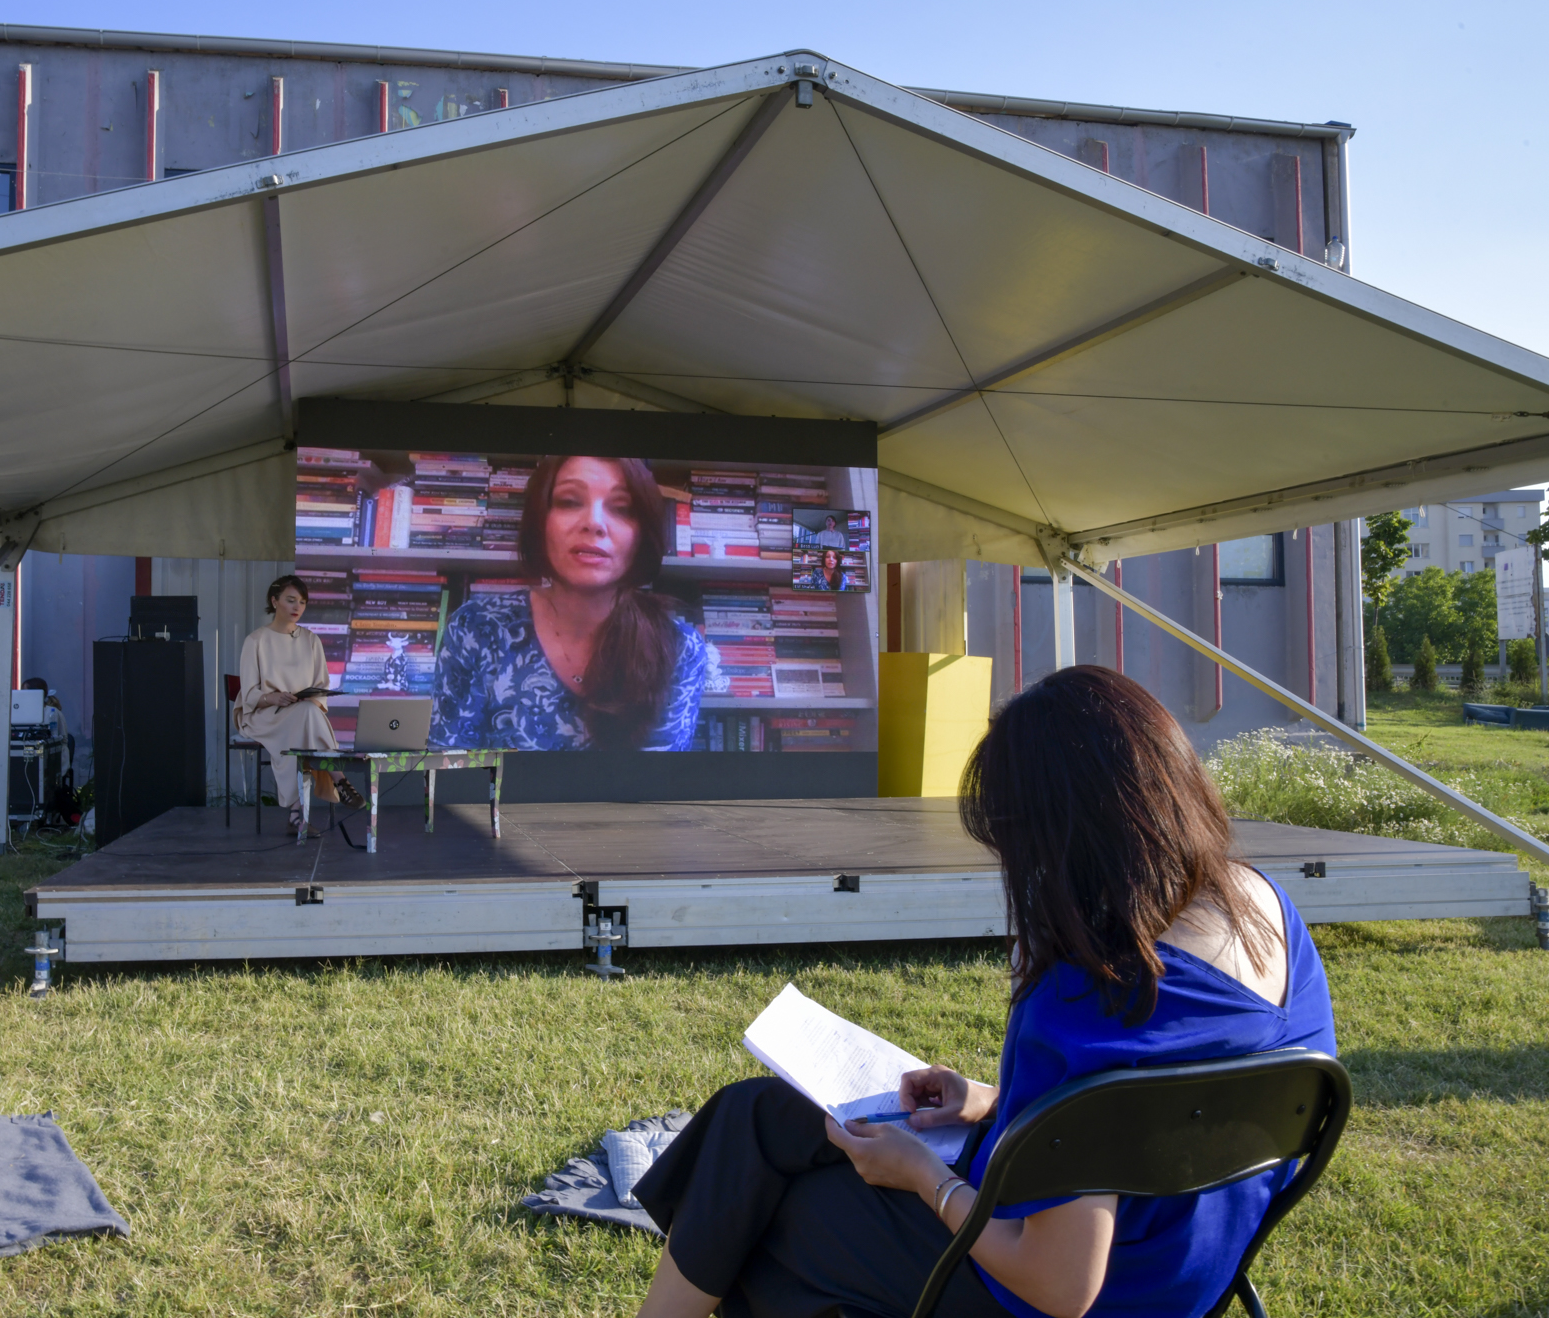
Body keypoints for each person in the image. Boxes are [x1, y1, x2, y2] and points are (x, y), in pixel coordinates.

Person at [633, 665, 1335, 1318]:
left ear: (1062, 843)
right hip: (1182, 1273)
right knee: (759, 1112)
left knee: (775, 1219)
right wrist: (997, 1102)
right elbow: (1160, 1114)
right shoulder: (1268, 914)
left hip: (1071, 1292)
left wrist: (924, 1178)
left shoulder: (1089, 995)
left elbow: (1062, 1283)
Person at [431, 456, 710, 750]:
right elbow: (450, 776)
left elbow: (656, 787)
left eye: (622, 508)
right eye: (569, 501)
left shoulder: (679, 647)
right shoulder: (476, 628)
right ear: (541, 522)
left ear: (642, 535)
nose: (594, 523)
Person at [234, 575, 364, 828]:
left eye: (302, 602)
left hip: (303, 713)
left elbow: (321, 689)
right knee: (304, 716)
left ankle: (297, 814)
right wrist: (273, 697)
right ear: (274, 601)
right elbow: (248, 694)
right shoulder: (255, 641)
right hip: (264, 714)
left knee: (305, 714)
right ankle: (339, 778)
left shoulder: (311, 640)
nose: (297, 608)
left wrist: (304, 701)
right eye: (290, 600)